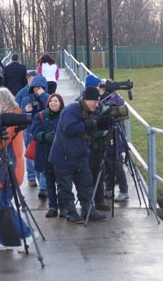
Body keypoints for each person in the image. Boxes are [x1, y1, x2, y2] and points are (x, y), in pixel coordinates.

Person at [0, 87, 37, 252]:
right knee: (0, 204)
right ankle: (10, 238)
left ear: (2, 102)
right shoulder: (9, 116)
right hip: (1, 167)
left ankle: (23, 234)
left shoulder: (10, 119)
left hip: (5, 168)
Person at [49, 87, 107, 224]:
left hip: (80, 155)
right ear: (87, 100)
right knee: (65, 187)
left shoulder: (88, 111)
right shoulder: (71, 110)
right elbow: (69, 128)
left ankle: (88, 210)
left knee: (86, 184)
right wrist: (87, 124)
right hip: (64, 157)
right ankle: (71, 212)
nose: (97, 105)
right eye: (95, 102)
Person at [32, 93, 65, 218]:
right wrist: (45, 136)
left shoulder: (65, 115)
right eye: (51, 101)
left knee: (62, 183)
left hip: (61, 155)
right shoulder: (40, 116)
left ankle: (63, 207)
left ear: (60, 103)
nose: (53, 103)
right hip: (45, 154)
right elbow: (35, 133)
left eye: (56, 101)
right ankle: (52, 207)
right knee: (49, 182)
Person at [84, 75, 112, 211]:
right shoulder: (84, 102)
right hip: (88, 145)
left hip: (99, 145)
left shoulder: (99, 102)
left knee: (98, 173)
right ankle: (88, 205)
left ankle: (99, 200)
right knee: (89, 174)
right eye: (98, 86)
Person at [21, 75, 50, 198]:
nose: (37, 90)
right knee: (34, 160)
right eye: (35, 88)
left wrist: (43, 95)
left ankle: (43, 187)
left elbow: (54, 107)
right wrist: (25, 110)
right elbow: (21, 116)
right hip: (31, 133)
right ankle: (37, 181)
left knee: (45, 160)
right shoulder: (27, 98)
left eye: (40, 88)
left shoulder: (48, 98)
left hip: (44, 133)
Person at [15, 71, 39, 187]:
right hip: (27, 127)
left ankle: (41, 178)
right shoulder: (21, 94)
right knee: (29, 151)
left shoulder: (41, 92)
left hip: (40, 125)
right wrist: (24, 110)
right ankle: (31, 177)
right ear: (28, 79)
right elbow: (15, 110)